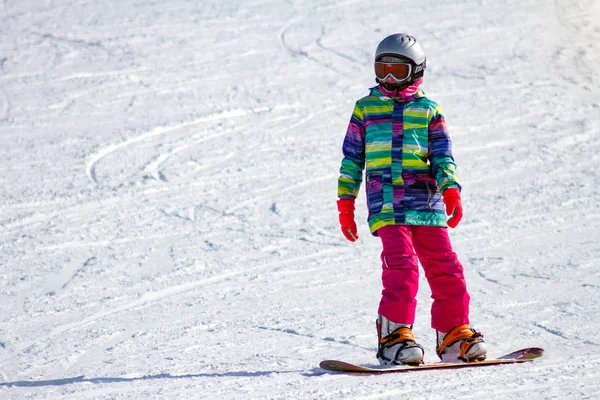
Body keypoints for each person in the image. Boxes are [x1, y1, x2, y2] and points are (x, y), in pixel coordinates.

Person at [336, 33, 487, 365]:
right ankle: (395, 335)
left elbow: (443, 156)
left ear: (416, 71)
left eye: (397, 70)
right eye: (383, 68)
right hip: (386, 203)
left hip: (426, 201)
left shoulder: (428, 110)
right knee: (402, 266)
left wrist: (451, 189)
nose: (389, 78)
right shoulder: (365, 108)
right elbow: (351, 159)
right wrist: (346, 201)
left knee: (446, 266)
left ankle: (453, 333)